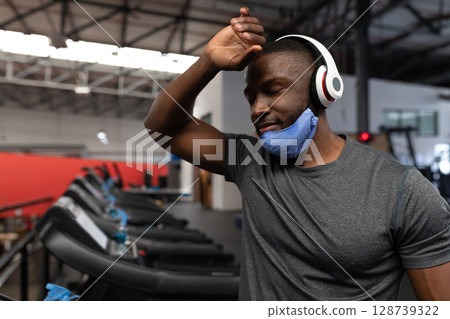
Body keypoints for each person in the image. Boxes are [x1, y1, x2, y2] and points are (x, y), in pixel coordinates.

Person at [145, 7, 450, 300]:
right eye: (251, 97)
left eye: (274, 90)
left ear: (323, 89)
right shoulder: (249, 160)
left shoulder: (403, 191)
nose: (257, 109)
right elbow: (162, 127)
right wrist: (208, 63)